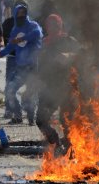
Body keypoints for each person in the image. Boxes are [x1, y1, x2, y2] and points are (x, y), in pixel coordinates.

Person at [35, 14, 79, 151]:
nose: (53, 27)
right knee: (41, 120)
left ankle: (71, 150)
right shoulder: (44, 43)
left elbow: (83, 55)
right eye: (50, 24)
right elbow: (40, 67)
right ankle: (56, 144)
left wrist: (69, 55)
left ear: (60, 25)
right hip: (49, 88)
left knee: (66, 121)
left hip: (67, 87)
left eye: (56, 24)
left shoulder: (69, 40)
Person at [0, 1, 43, 124]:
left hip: (32, 66)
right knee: (10, 90)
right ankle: (17, 115)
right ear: (15, 14)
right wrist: (0, 53)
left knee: (31, 92)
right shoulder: (15, 30)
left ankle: (31, 117)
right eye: (19, 13)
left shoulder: (33, 25)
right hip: (20, 67)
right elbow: (10, 46)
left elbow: (37, 34)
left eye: (24, 13)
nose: (21, 15)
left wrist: (22, 38)